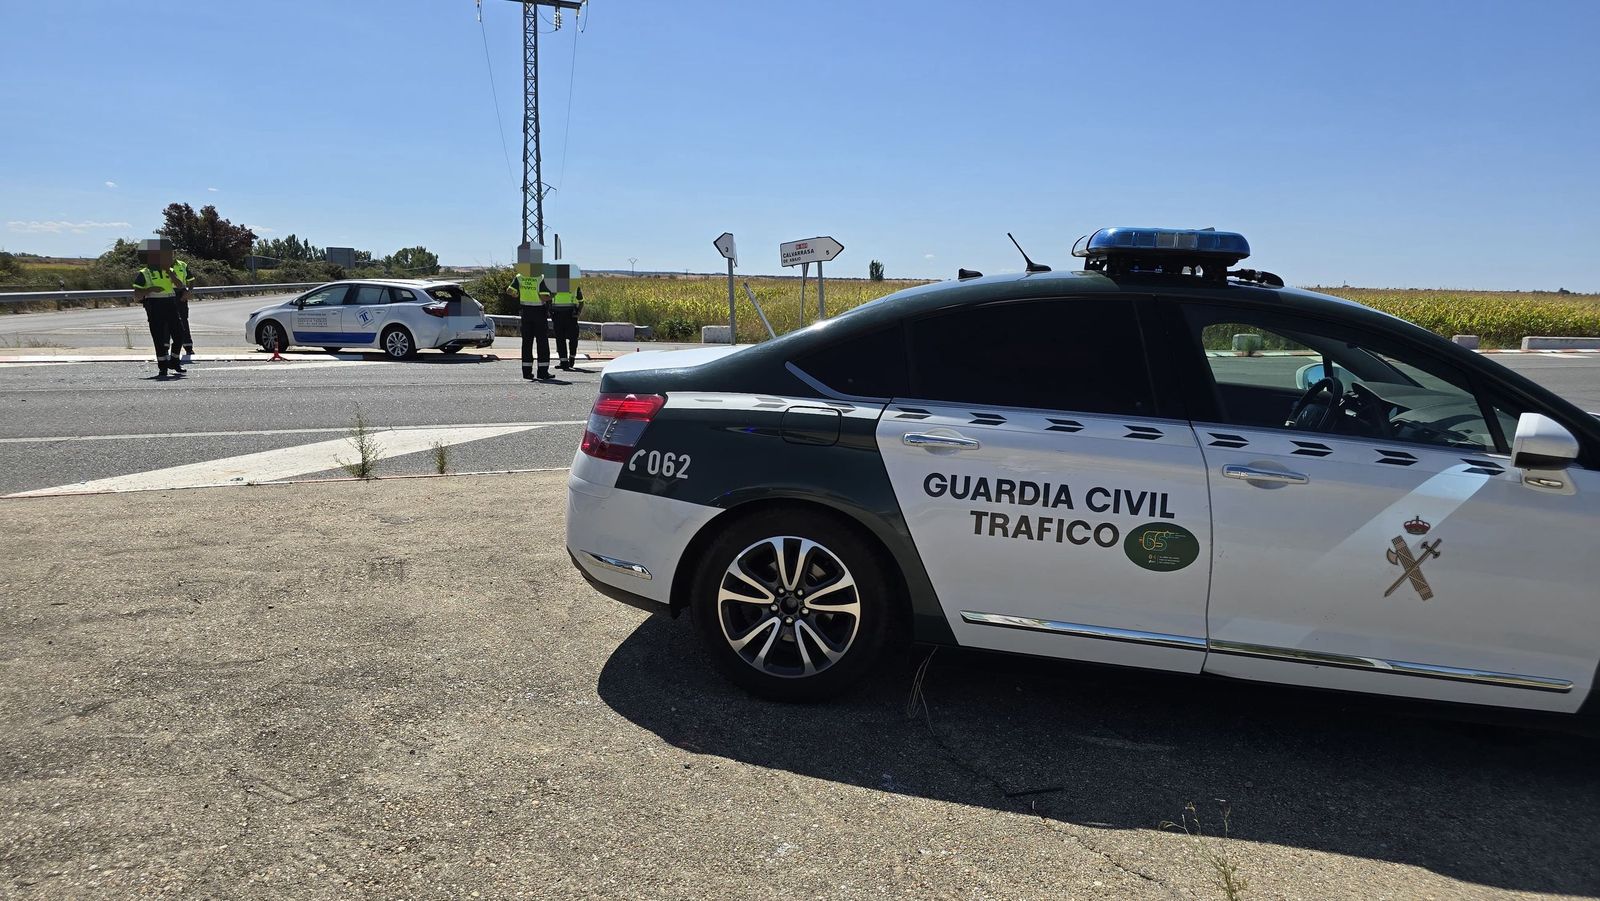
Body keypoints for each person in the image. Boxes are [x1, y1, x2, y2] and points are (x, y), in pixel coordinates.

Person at [131, 238, 185, 378]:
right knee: (159, 339)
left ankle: (174, 361)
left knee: (179, 335)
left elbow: (179, 286)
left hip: (170, 303)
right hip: (155, 305)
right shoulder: (144, 273)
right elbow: (136, 296)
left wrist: (171, 272)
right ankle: (163, 367)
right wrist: (150, 289)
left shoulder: (170, 270)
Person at [505, 268, 552, 381]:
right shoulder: (540, 278)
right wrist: (553, 295)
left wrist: (516, 295)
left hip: (525, 313)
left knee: (526, 343)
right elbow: (543, 297)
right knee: (542, 343)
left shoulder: (520, 277)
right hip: (539, 312)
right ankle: (542, 372)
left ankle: (526, 372)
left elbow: (509, 291)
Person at [544, 261, 584, 370]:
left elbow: (547, 299)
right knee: (566, 338)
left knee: (564, 338)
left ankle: (568, 360)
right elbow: (581, 302)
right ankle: (565, 361)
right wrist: (578, 312)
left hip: (565, 314)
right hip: (564, 314)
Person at [171, 257, 197, 362]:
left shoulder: (182, 264)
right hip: (167, 294)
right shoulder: (161, 265)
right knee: (167, 323)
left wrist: (188, 292)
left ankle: (188, 348)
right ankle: (166, 349)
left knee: (183, 321)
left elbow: (191, 280)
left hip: (180, 294)